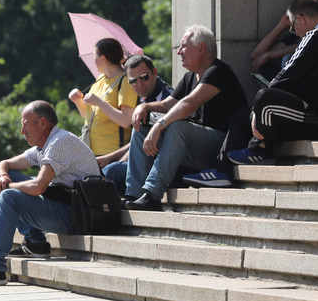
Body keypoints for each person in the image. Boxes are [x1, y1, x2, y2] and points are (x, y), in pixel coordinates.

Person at [184, 0, 318, 183]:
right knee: (242, 115)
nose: (295, 32)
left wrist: (259, 109)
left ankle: (259, 148)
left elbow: (286, 75)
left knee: (265, 97)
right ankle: (221, 171)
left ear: (300, 19)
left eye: (292, 27)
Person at [0, 101, 101, 287]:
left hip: (77, 216)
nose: (22, 131)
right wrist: (3, 178)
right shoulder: (44, 145)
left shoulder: (59, 143)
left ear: (42, 123)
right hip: (66, 206)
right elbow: (3, 164)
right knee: (10, 180)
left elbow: (37, 187)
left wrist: (6, 189)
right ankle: (36, 243)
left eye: (25, 124)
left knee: (10, 196)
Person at [123, 25, 249, 210]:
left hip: (222, 147)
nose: (179, 52)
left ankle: (152, 194)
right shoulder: (191, 76)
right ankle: (133, 194)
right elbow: (168, 105)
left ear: (201, 48)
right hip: (196, 145)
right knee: (142, 125)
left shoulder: (218, 71)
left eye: (183, 46)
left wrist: (159, 126)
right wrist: (144, 106)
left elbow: (189, 103)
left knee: (177, 126)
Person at [99, 54, 173, 195]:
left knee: (110, 172)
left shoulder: (167, 97)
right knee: (104, 171)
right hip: (146, 164)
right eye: (133, 80)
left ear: (155, 72)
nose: (139, 84)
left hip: (161, 167)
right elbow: (137, 138)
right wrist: (111, 157)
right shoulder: (144, 99)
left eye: (144, 77)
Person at [68, 38, 139, 157]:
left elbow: (125, 121)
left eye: (94, 55)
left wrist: (100, 103)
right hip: (91, 153)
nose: (93, 59)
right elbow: (89, 116)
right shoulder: (99, 80)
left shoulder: (126, 81)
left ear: (103, 58)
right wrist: (77, 101)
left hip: (113, 155)